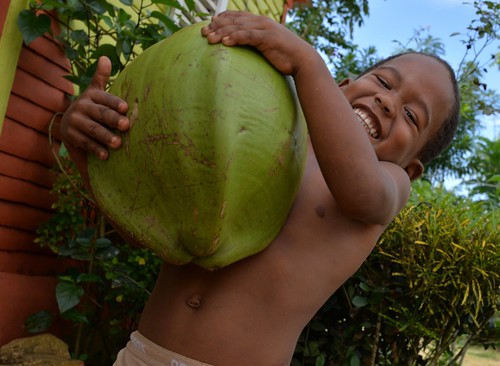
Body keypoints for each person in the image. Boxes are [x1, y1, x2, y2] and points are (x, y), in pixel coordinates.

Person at [59, 11, 460, 366]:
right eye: (384, 81)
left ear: (413, 168)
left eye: (411, 114)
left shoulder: (389, 183)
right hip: (141, 354)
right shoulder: (272, 141)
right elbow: (151, 231)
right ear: (341, 87)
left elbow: (363, 192)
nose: (388, 101)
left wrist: (306, 62)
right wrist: (89, 153)